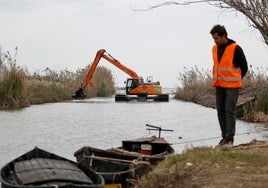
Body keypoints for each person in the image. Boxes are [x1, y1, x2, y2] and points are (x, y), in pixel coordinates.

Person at [210, 25, 248, 149]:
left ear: (224, 36)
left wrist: (236, 79)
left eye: (216, 38)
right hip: (219, 85)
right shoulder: (214, 49)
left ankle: (229, 140)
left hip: (232, 86)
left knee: (230, 112)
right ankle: (224, 137)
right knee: (220, 112)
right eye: (213, 38)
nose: (214, 40)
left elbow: (244, 67)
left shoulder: (236, 48)